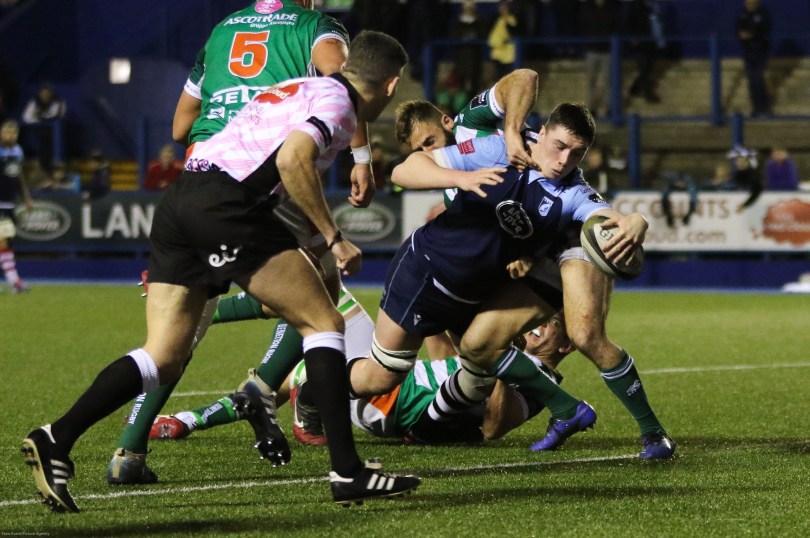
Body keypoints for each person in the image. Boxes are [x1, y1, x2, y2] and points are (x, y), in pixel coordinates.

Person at [21, 30, 418, 513]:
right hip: (227, 206)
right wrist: (333, 237)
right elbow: (294, 160)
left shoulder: (301, 87)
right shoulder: (338, 104)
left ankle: (56, 437)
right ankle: (348, 472)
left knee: (164, 356)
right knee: (324, 323)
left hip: (182, 199)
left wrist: (312, 243)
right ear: (392, 85)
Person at [108, 0, 370, 486]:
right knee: (321, 293)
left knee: (184, 329)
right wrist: (362, 155)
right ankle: (265, 390)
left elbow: (179, 125)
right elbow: (348, 83)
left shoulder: (222, 29)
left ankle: (130, 448)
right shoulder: (317, 25)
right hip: (265, 169)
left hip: (204, 166)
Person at [387, 87, 675, 459]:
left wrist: (636, 221)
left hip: (567, 252)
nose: (564, 160)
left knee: (586, 336)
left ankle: (654, 433)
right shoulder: (499, 147)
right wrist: (456, 177)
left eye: (577, 154)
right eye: (558, 146)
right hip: (525, 256)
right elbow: (404, 170)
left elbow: (604, 218)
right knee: (477, 345)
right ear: (543, 133)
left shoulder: (574, 190)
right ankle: (565, 410)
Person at [0, 119, 32, 293]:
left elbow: (18, 174)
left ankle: (14, 281)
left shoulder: (18, 152)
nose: (10, 135)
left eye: (14, 133)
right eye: (7, 132)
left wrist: (26, 196)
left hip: (9, 202)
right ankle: (14, 281)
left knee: (5, 240)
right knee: (4, 240)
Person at [579, 0, 620, 118]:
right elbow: (583, 27)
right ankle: (592, 107)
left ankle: (609, 108)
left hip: (606, 50)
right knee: (591, 81)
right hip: (592, 50)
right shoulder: (588, 11)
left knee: (608, 81)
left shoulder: (612, 11)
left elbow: (616, 28)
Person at [21, 83, 67, 179]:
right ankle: (45, 172)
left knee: (55, 155)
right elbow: (26, 118)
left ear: (51, 94)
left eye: (48, 93)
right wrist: (39, 120)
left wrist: (44, 118)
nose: (45, 95)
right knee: (43, 152)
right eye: (43, 93)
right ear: (40, 93)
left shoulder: (58, 102)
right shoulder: (34, 102)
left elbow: (58, 116)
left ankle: (57, 175)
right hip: (40, 133)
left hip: (56, 134)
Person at [736, 0, 772, 116]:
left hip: (761, 51)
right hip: (748, 51)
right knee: (752, 80)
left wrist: (751, 34)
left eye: (751, 3)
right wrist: (742, 34)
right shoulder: (742, 14)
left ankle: (765, 108)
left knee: (758, 78)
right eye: (747, 3)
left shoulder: (763, 13)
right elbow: (737, 28)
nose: (749, 5)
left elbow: (764, 29)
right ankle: (756, 108)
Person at [625, 0, 664, 104]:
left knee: (648, 69)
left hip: (650, 43)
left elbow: (656, 23)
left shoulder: (653, 6)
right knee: (644, 69)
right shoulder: (634, 5)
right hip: (640, 44)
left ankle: (634, 89)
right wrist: (633, 38)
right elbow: (629, 23)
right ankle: (648, 94)